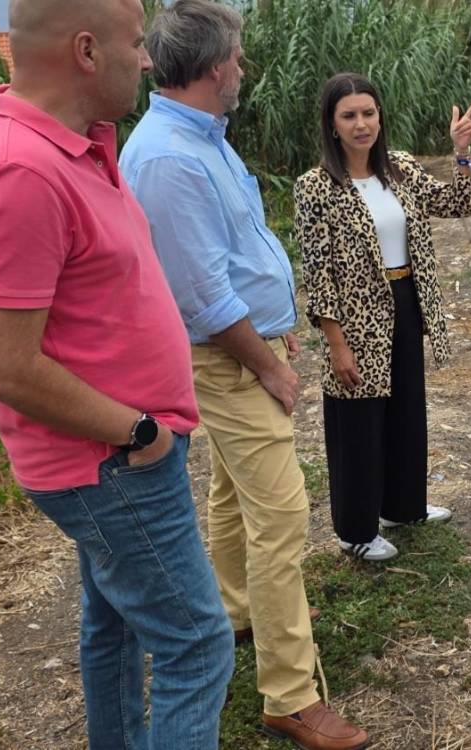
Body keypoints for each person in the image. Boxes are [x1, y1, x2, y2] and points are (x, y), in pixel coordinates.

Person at [0, 0, 234, 747]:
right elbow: (3, 364)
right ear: (85, 50)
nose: (145, 59)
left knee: (114, 628)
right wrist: (140, 432)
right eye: (135, 44)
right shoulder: (19, 172)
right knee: (196, 645)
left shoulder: (72, 145)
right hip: (111, 460)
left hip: (113, 458)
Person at [118, 3, 367, 749]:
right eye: (238, 59)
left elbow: (230, 257)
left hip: (243, 347)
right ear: (215, 66)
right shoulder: (168, 156)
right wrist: (269, 365)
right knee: (283, 512)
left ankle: (238, 612)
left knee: (233, 495)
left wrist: (271, 325)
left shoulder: (199, 139)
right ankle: (289, 695)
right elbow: (200, 294)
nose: (243, 71)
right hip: (226, 360)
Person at [293, 73, 471, 562]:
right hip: (354, 318)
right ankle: (355, 531)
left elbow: (455, 203)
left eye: (369, 112)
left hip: (406, 302)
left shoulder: (399, 168)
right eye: (349, 115)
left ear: (380, 116)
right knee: (358, 424)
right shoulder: (315, 187)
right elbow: (319, 273)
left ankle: (402, 508)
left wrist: (460, 154)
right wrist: (335, 343)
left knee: (406, 411)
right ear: (332, 125)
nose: (362, 124)